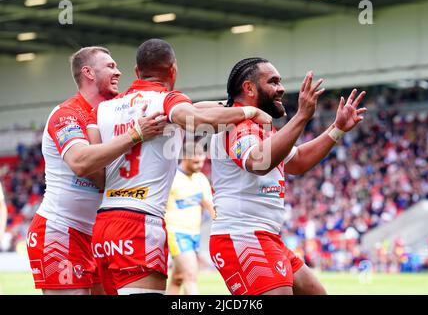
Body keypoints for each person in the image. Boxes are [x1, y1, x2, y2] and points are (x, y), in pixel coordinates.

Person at [89, 38, 272, 295]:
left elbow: (95, 168)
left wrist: (235, 106)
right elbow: (198, 119)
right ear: (173, 70)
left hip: (104, 223)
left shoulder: (103, 109)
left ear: (136, 71)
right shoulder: (168, 100)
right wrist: (250, 113)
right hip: (140, 220)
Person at [208, 57, 367, 295]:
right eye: (273, 81)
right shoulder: (237, 124)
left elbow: (299, 160)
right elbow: (258, 161)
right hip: (242, 235)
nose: (281, 88)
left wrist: (337, 129)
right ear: (249, 88)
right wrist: (302, 115)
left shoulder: (262, 127)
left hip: (266, 236)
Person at [25, 46, 166, 295]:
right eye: (110, 66)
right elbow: (80, 162)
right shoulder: (67, 114)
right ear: (88, 72)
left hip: (101, 236)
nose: (119, 72)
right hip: (62, 232)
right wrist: (136, 135)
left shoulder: (111, 112)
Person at [165, 142, 215, 295]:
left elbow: (210, 206)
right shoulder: (172, 178)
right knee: (191, 275)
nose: (200, 165)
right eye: (196, 162)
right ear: (185, 158)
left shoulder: (201, 178)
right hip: (176, 234)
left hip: (195, 234)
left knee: (178, 278)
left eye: (202, 161)